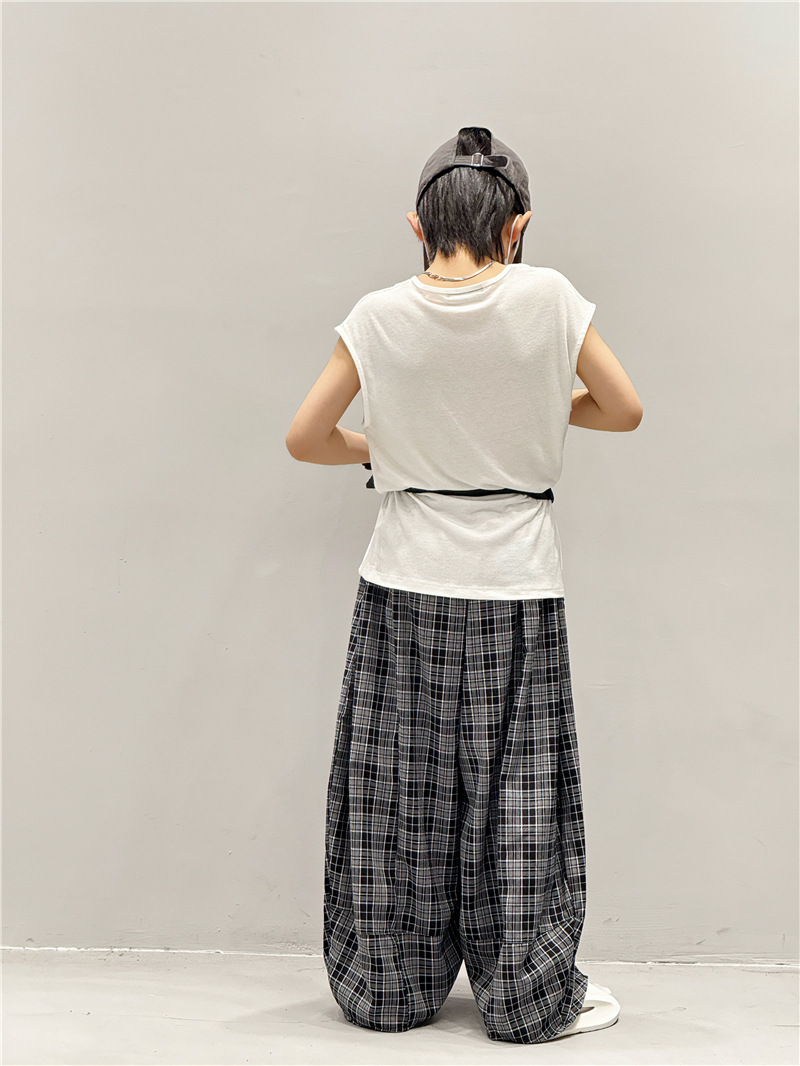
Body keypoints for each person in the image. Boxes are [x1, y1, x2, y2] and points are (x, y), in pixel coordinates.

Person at [285, 126, 642, 1043]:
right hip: (516, 584)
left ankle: (389, 988)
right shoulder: (549, 298)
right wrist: (534, 409)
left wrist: (394, 448)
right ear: (517, 226)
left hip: (401, 582)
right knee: (517, 791)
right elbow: (624, 409)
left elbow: (306, 438)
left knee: (396, 787)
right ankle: (525, 996)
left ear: (418, 224)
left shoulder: (377, 315)